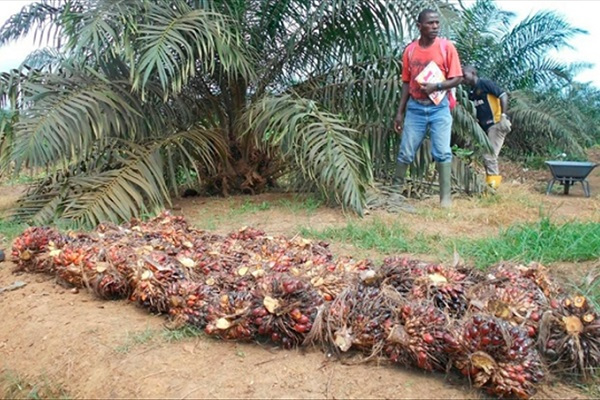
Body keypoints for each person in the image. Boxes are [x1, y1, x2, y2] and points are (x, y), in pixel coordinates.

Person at [393, 9, 463, 208]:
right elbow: (406, 83)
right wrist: (400, 112)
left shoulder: (446, 47)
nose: (434, 27)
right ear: (419, 26)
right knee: (405, 152)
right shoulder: (410, 50)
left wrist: (437, 86)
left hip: (439, 107)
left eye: (437, 23)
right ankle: (394, 194)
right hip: (415, 108)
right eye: (430, 23)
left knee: (442, 152)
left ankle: (445, 198)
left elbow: (457, 78)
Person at [462, 65, 512, 188]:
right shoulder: (471, 93)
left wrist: (503, 116)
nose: (463, 79)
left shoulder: (484, 84)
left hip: (496, 124)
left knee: (489, 156)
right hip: (484, 128)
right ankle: (486, 184)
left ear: (473, 73)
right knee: (480, 154)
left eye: (464, 75)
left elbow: (503, 95)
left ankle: (493, 188)